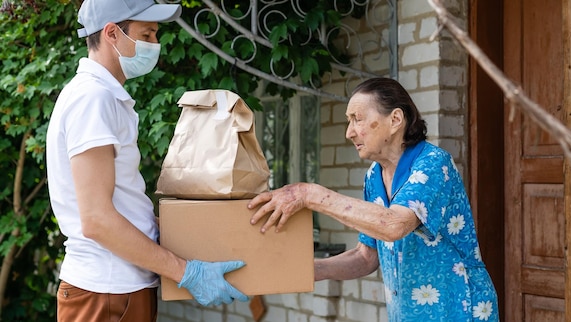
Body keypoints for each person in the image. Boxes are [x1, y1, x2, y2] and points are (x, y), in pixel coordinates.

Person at [46, 0, 248, 320]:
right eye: (148, 34)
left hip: (117, 289)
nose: (156, 44)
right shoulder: (93, 99)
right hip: (106, 292)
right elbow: (97, 220)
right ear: (112, 33)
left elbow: (121, 204)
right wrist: (187, 272)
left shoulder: (104, 97)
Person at [249, 77, 500, 321]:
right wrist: (305, 269)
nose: (349, 132)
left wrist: (309, 194)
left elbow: (393, 225)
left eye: (357, 119)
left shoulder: (433, 164)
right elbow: (366, 257)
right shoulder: (374, 176)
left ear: (395, 120)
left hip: (459, 309)